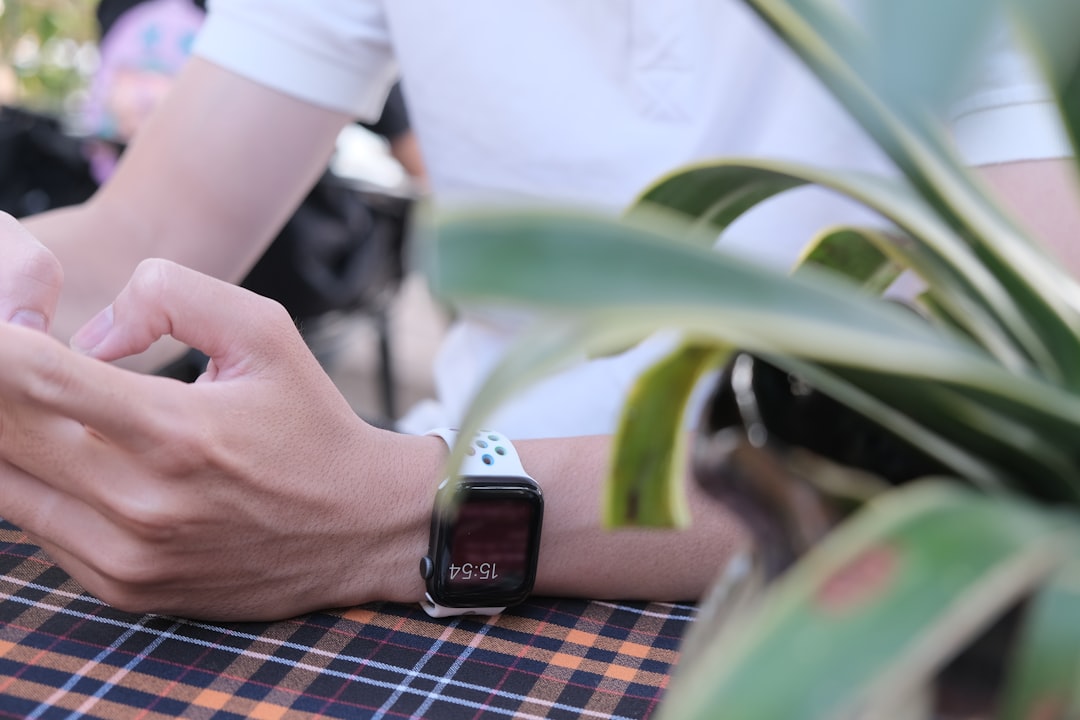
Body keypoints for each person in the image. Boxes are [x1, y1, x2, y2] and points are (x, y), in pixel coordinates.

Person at [0, 1, 1076, 620]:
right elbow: (145, 234)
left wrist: (402, 514)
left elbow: (1032, 417)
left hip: (862, 597)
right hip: (444, 543)